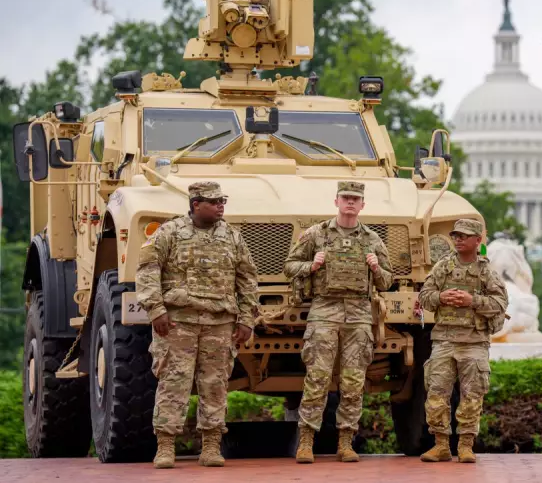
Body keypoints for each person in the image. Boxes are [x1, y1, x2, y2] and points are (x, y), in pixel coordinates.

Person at [137, 181, 258, 469]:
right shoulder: (170, 233)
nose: (220, 206)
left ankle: (212, 445)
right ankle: (166, 446)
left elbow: (247, 279)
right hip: (179, 322)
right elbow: (147, 270)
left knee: (215, 385)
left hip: (220, 323)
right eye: (214, 202)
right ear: (195, 205)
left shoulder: (232, 237)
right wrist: (155, 309)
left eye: (222, 201)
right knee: (173, 383)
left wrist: (246, 319)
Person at [284, 181, 393, 464]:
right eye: (346, 198)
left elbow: (388, 280)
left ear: (362, 205)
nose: (350, 203)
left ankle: (346, 442)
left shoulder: (372, 239)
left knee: (353, 381)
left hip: (358, 314)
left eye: (355, 199)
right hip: (324, 311)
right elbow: (289, 266)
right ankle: (306, 441)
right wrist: (312, 266)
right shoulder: (316, 234)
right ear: (336, 201)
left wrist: (376, 267)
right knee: (317, 378)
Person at [416, 219, 508, 463]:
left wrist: (472, 301)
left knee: (472, 395)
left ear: (478, 241)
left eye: (464, 236)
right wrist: (441, 296)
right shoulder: (442, 267)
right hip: (444, 340)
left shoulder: (486, 271)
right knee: (436, 394)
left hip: (474, 342)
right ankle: (441, 445)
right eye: (456, 235)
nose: (458, 240)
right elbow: (424, 297)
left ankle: (466, 445)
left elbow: (500, 304)